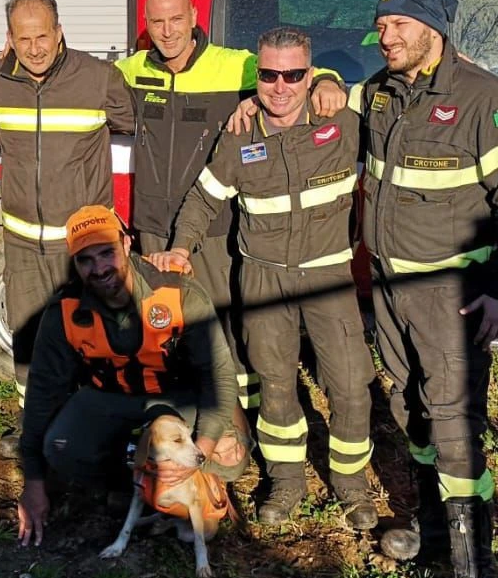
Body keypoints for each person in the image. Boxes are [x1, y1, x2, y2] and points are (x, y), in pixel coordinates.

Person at [361, 0, 498, 578]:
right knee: (410, 405)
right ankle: (434, 531)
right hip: (391, 286)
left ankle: (474, 574)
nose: (386, 37)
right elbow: (331, 111)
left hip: (452, 293)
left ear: (432, 29)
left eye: (398, 26)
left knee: (455, 421)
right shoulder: (379, 94)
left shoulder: (484, 98)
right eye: (382, 27)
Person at [155, 26, 376, 529]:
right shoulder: (240, 136)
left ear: (310, 72)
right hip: (263, 279)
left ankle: (351, 486)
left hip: (328, 278)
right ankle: (286, 481)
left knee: (349, 387)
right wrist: (181, 248)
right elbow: (203, 198)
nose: (281, 86)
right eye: (270, 74)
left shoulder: (341, 120)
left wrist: (332, 80)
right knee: (275, 386)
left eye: (294, 74)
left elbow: (396, 95)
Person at [115, 0, 346, 418]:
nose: (167, 32)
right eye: (157, 22)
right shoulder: (130, 71)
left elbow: (291, 71)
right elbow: (81, 80)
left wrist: (329, 81)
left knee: (229, 331)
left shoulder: (235, 65)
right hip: (153, 227)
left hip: (214, 225)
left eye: (176, 19)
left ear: (195, 16)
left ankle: (246, 422)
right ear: (146, 25)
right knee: (164, 326)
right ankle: (184, 416)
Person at [15, 205, 247, 547]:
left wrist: (201, 449)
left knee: (230, 450)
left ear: (126, 244)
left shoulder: (180, 293)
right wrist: (33, 483)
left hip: (178, 402)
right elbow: (41, 395)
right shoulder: (63, 312)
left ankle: (196, 480)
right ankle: (134, 484)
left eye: (106, 252)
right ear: (75, 264)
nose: (99, 269)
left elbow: (219, 377)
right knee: (59, 447)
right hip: (110, 402)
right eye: (86, 260)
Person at [0, 0, 136, 454]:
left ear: (60, 31)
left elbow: (132, 123)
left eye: (42, 35)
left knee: (94, 332)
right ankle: (35, 419)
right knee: (29, 334)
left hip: (82, 245)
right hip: (23, 240)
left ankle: (96, 424)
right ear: (9, 39)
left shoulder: (99, 78)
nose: (34, 48)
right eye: (23, 38)